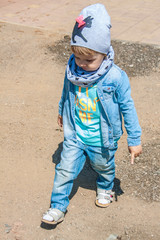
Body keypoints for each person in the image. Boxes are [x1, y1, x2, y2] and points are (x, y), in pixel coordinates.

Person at [42, 3, 142, 225]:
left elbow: (128, 106)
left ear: (104, 53)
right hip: (75, 134)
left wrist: (134, 139)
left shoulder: (115, 77)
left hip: (102, 139)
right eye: (78, 58)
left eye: (89, 60)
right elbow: (67, 91)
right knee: (64, 170)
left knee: (103, 167)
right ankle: (57, 207)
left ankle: (105, 185)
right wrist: (61, 110)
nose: (82, 65)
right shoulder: (73, 70)